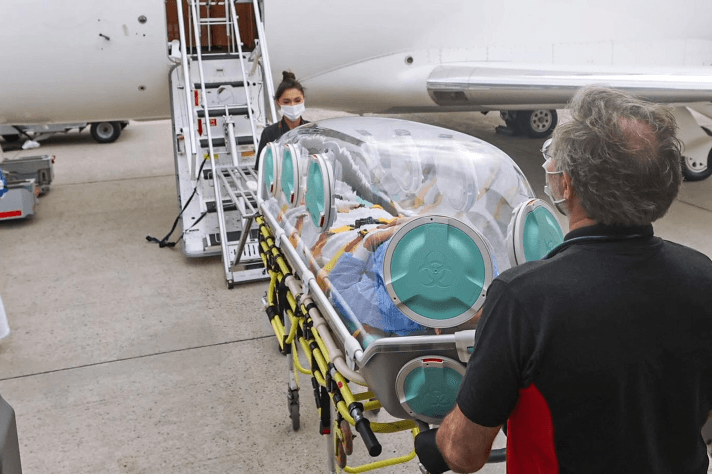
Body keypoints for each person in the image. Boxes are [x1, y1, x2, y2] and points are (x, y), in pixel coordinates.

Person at [415, 86, 712, 473]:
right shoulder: (703, 277)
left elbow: (465, 454)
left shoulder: (522, 298)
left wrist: (438, 435)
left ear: (567, 184)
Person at [254, 71, 309, 170]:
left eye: (297, 100)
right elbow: (262, 169)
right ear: (278, 102)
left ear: (303, 99)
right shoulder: (269, 133)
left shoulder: (312, 130)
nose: (293, 105)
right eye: (286, 102)